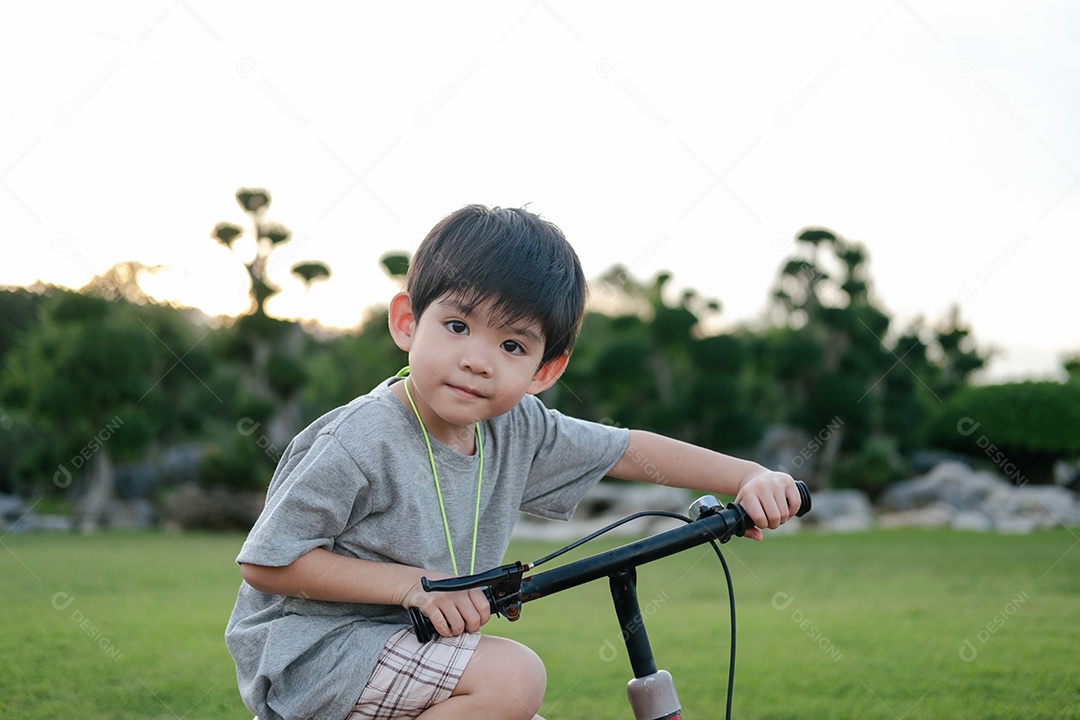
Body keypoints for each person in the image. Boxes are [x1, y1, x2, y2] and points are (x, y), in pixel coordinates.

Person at [225, 204, 802, 720]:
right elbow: (268, 563)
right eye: (457, 326)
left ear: (544, 371)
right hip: (316, 656)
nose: (478, 361)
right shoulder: (361, 437)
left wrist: (748, 476)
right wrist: (415, 587)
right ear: (407, 322)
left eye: (512, 346)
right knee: (513, 678)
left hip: (415, 651)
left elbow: (628, 449)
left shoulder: (515, 427)